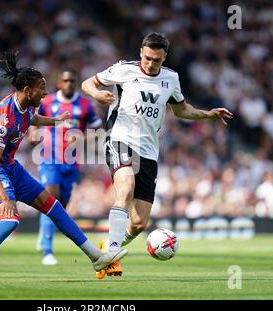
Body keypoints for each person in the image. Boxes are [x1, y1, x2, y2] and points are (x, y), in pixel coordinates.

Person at [0, 52, 127, 284]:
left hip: (9, 166)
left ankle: (96, 257)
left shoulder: (25, 105)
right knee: (9, 218)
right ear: (28, 90)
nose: (46, 93)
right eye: (42, 88)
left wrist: (56, 120)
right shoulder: (5, 120)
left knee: (53, 206)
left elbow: (33, 119)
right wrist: (4, 198)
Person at [81, 32, 233, 279]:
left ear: (164, 58)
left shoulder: (171, 78)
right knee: (126, 186)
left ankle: (109, 244)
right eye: (148, 58)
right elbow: (88, 83)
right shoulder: (124, 69)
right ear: (141, 52)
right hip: (119, 138)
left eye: (157, 60)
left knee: (139, 223)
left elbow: (182, 110)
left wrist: (208, 114)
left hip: (149, 150)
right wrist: (96, 94)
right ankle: (112, 253)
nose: (151, 64)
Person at [34, 70, 102, 265]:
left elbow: (99, 131)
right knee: (51, 199)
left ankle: (44, 231)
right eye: (65, 80)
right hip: (49, 158)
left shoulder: (85, 105)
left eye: (72, 80)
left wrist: (84, 138)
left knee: (61, 207)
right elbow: (33, 119)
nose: (69, 83)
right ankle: (48, 251)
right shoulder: (47, 103)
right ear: (58, 83)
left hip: (72, 162)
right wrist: (32, 134)